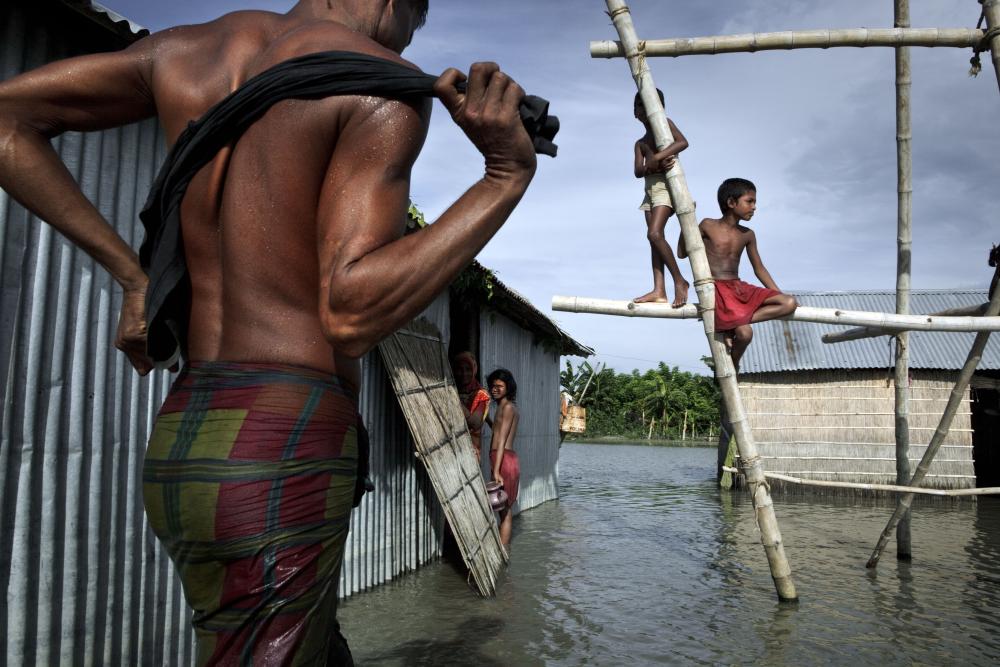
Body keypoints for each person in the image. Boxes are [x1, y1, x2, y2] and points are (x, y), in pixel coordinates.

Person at [0, 1, 539, 663]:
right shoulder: (378, 82)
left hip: (184, 441)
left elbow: (7, 120)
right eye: (414, 22)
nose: (406, 38)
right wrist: (504, 179)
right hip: (283, 446)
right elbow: (350, 311)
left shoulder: (184, 51)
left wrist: (132, 275)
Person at [678, 178, 797, 371]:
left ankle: (730, 324)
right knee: (745, 334)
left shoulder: (747, 234)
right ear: (732, 203)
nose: (754, 207)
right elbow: (682, 253)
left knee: (789, 303)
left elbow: (759, 268)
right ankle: (733, 364)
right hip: (717, 288)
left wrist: (778, 294)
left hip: (738, 287)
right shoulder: (708, 225)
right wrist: (687, 224)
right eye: (750, 201)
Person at [632, 89, 690, 308]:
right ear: (636, 112)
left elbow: (682, 142)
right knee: (653, 240)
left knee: (654, 234)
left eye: (649, 104)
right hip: (649, 190)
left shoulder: (665, 125)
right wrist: (651, 165)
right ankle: (659, 290)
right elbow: (638, 171)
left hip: (666, 187)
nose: (644, 109)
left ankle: (679, 280)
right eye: (640, 105)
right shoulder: (640, 142)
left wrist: (657, 157)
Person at [487, 368, 520, 548]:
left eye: (500, 386)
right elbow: (498, 431)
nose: (495, 389)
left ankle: (503, 552)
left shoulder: (507, 407)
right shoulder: (503, 406)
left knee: (505, 511)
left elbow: (501, 441)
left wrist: (497, 470)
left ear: (509, 387)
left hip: (504, 461)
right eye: (493, 386)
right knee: (502, 509)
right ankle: (502, 550)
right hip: (505, 460)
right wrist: (487, 420)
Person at [452, 351, 490, 459]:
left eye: (468, 369)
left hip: (471, 453)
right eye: (460, 369)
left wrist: (455, 400)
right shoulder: (451, 389)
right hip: (450, 450)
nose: (464, 374)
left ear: (474, 370)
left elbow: (475, 423)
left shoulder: (481, 394)